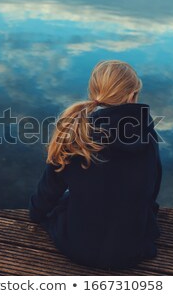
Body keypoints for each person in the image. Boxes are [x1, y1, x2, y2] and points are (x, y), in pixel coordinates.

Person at [28, 60, 162, 270]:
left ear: (93, 93)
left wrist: (35, 215)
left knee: (66, 199)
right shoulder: (147, 136)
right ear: (132, 96)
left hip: (76, 247)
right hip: (129, 251)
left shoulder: (77, 135)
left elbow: (48, 191)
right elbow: (151, 189)